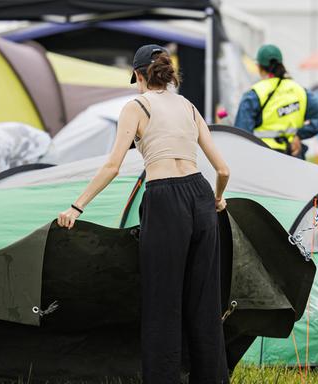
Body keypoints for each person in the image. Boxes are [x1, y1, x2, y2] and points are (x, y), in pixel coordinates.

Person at [55, 44, 230, 383]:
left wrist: (77, 206)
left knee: (163, 299)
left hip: (165, 199)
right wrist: (218, 199)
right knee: (203, 300)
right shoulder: (190, 107)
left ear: (138, 74)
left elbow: (112, 166)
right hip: (201, 193)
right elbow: (222, 169)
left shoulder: (136, 106)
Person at [234, 44, 318, 158]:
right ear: (281, 63)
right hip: (293, 157)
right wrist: (299, 135)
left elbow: (241, 135)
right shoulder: (299, 90)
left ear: (258, 66)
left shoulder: (254, 94)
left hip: (264, 158)